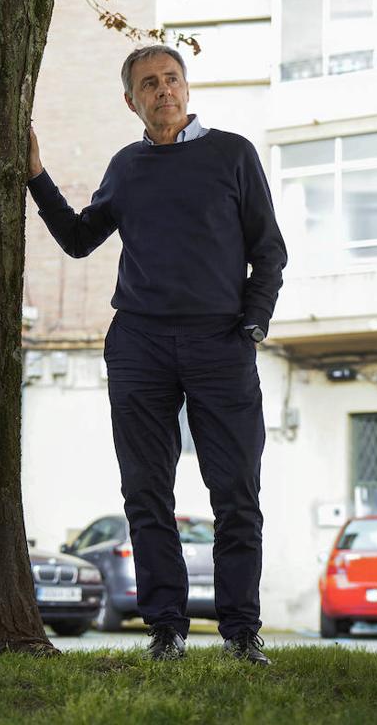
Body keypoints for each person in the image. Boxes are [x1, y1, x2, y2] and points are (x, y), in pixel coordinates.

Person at [25, 45, 287, 664]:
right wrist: (36, 175)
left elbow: (268, 250)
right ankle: (165, 630)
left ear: (187, 88)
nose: (163, 90)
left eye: (171, 79)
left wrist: (252, 323)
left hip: (220, 344)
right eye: (149, 84)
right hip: (140, 344)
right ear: (131, 100)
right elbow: (80, 239)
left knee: (236, 493)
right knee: (145, 493)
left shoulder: (233, 154)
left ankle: (241, 633)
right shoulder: (127, 167)